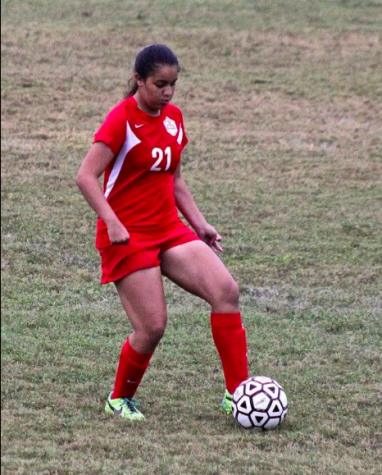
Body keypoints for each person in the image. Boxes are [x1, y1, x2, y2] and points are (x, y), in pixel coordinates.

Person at [76, 44, 248, 420]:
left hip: (167, 228)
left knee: (226, 292)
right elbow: (85, 177)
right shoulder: (121, 120)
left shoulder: (174, 118)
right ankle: (119, 398)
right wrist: (113, 221)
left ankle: (239, 394)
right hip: (127, 235)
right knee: (152, 327)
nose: (168, 93)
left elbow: (175, 177)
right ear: (139, 81)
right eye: (160, 84)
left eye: (173, 84)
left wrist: (200, 223)